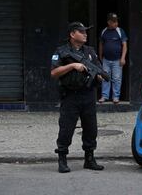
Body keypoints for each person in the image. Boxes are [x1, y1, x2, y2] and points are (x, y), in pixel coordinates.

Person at [51, 22, 105, 173]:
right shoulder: (61, 51)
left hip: (88, 95)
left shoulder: (90, 51)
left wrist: (99, 76)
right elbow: (54, 73)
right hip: (70, 96)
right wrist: (72, 66)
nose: (85, 34)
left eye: (86, 32)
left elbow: (99, 70)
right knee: (66, 129)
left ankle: (89, 159)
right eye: (82, 32)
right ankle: (62, 159)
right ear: (72, 34)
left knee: (91, 129)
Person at [98, 13, 128, 104]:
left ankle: (116, 97)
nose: (116, 23)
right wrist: (100, 56)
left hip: (117, 60)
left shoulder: (120, 31)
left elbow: (124, 45)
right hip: (106, 59)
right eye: (114, 22)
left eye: (117, 21)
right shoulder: (104, 31)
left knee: (117, 78)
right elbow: (101, 44)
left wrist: (123, 58)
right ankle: (104, 96)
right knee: (105, 77)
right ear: (109, 22)